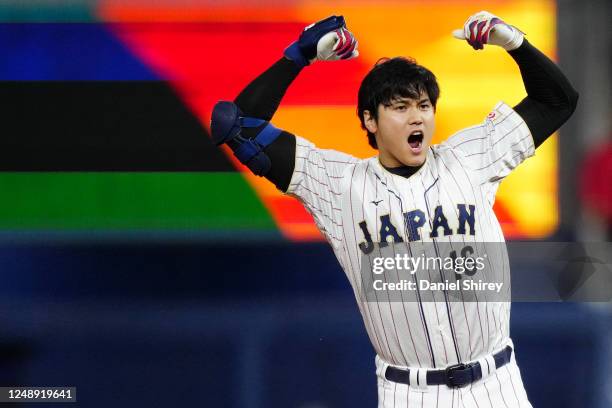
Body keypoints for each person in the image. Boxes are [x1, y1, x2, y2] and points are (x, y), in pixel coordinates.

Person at [211, 11, 578, 407]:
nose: (416, 115)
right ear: (369, 120)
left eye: (423, 105)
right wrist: (299, 55)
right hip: (409, 392)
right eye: (399, 107)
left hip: (496, 384)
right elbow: (236, 125)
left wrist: (515, 44)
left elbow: (558, 101)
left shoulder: (471, 157)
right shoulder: (339, 184)